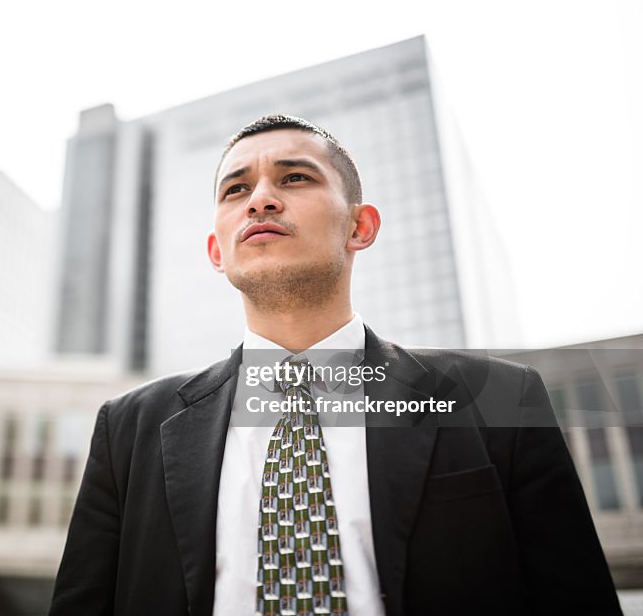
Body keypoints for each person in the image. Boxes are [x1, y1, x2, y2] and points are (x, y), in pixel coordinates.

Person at [48, 114, 621, 615]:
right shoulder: (130, 428)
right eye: (236, 189)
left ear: (360, 226)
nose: (261, 199)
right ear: (217, 252)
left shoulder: (497, 397)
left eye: (294, 177)